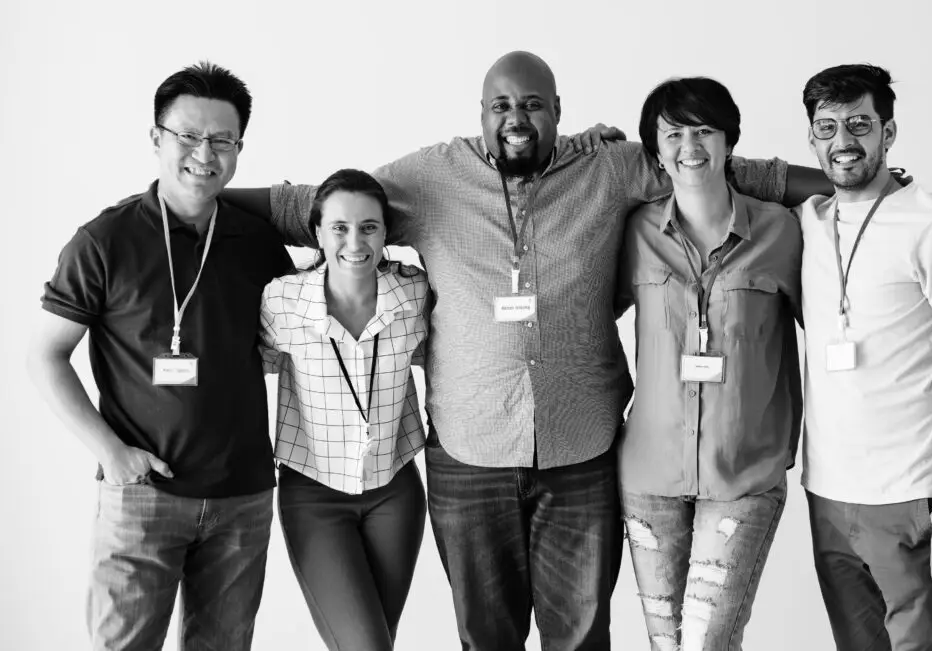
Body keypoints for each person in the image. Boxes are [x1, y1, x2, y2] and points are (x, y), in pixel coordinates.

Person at [226, 50, 825, 651]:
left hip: (582, 452)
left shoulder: (609, 169)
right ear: (481, 113)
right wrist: (200, 201)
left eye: (534, 105)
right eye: (502, 105)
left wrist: (846, 182)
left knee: (582, 635)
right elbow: (318, 206)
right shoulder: (430, 179)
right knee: (487, 637)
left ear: (560, 111)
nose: (517, 118)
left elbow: (716, 166)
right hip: (469, 455)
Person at [26, 62, 292, 650]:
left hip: (243, 495)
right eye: (189, 136)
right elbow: (45, 355)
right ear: (156, 139)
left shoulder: (258, 242)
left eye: (223, 140)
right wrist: (112, 454)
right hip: (145, 494)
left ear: (239, 148)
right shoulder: (104, 241)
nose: (206, 153)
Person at [798, 64, 932, 650]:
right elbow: (718, 169)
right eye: (826, 127)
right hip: (828, 496)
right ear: (811, 138)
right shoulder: (809, 220)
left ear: (889, 132)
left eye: (859, 124)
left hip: (914, 496)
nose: (843, 142)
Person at [617, 77, 802, 651]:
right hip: (649, 475)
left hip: (744, 474)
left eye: (704, 130)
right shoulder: (634, 231)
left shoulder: (783, 231)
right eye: (673, 133)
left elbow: (831, 333)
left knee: (706, 643)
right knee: (665, 644)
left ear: (729, 142)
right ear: (655, 148)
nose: (689, 146)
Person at [260, 169, 429, 651]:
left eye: (369, 227)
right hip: (314, 496)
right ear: (316, 232)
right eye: (339, 227)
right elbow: (252, 368)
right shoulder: (282, 301)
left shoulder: (414, 295)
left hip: (394, 493)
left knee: (374, 642)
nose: (355, 241)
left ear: (385, 232)